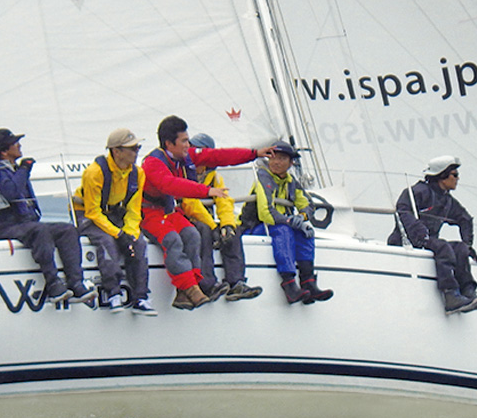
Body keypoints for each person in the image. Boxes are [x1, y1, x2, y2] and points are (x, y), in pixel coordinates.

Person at [140, 115, 272, 310]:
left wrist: (254, 154)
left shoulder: (183, 156)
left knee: (192, 235)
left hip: (167, 210)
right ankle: (190, 288)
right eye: (184, 141)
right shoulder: (152, 163)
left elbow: (218, 156)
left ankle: (188, 289)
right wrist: (206, 191)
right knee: (173, 240)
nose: (188, 145)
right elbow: (170, 185)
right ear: (169, 143)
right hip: (148, 212)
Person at [0, 128, 96, 305]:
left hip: (26, 223)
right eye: (14, 143)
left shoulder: (12, 169)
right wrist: (24, 169)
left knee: (68, 230)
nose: (19, 145)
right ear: (4, 151)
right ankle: (53, 284)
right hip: (7, 226)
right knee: (40, 231)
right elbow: (11, 192)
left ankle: (76, 282)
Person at [387, 155, 477, 316]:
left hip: (429, 241)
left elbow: (465, 219)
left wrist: (468, 244)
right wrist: (420, 233)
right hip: (408, 241)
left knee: (460, 248)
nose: (457, 178)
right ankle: (450, 295)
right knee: (443, 246)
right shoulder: (418, 192)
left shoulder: (446, 200)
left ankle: (468, 292)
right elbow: (403, 211)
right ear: (442, 175)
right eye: (454, 174)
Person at [76, 128, 156, 316]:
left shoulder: (137, 173)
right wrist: (118, 234)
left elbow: (134, 209)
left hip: (115, 215)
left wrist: (130, 233)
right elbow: (93, 211)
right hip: (88, 215)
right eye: (132, 148)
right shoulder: (94, 173)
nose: (137, 152)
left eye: (138, 147)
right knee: (107, 242)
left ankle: (141, 296)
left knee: (139, 243)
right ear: (117, 151)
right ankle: (113, 293)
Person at [244, 141, 333, 305]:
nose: (276, 162)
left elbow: (307, 204)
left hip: (277, 224)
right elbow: (265, 212)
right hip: (253, 227)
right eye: (273, 158)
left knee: (306, 232)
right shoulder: (262, 178)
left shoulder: (290, 181)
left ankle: (308, 282)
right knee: (283, 231)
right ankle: (289, 283)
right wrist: (290, 221)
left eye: (282, 159)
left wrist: (302, 218)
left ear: (291, 163)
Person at [181, 133, 262, 302]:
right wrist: (213, 226)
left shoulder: (214, 177)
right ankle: (207, 283)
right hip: (184, 218)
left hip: (204, 219)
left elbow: (224, 201)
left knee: (233, 233)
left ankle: (236, 282)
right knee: (204, 232)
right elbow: (189, 202)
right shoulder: (182, 172)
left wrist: (227, 225)